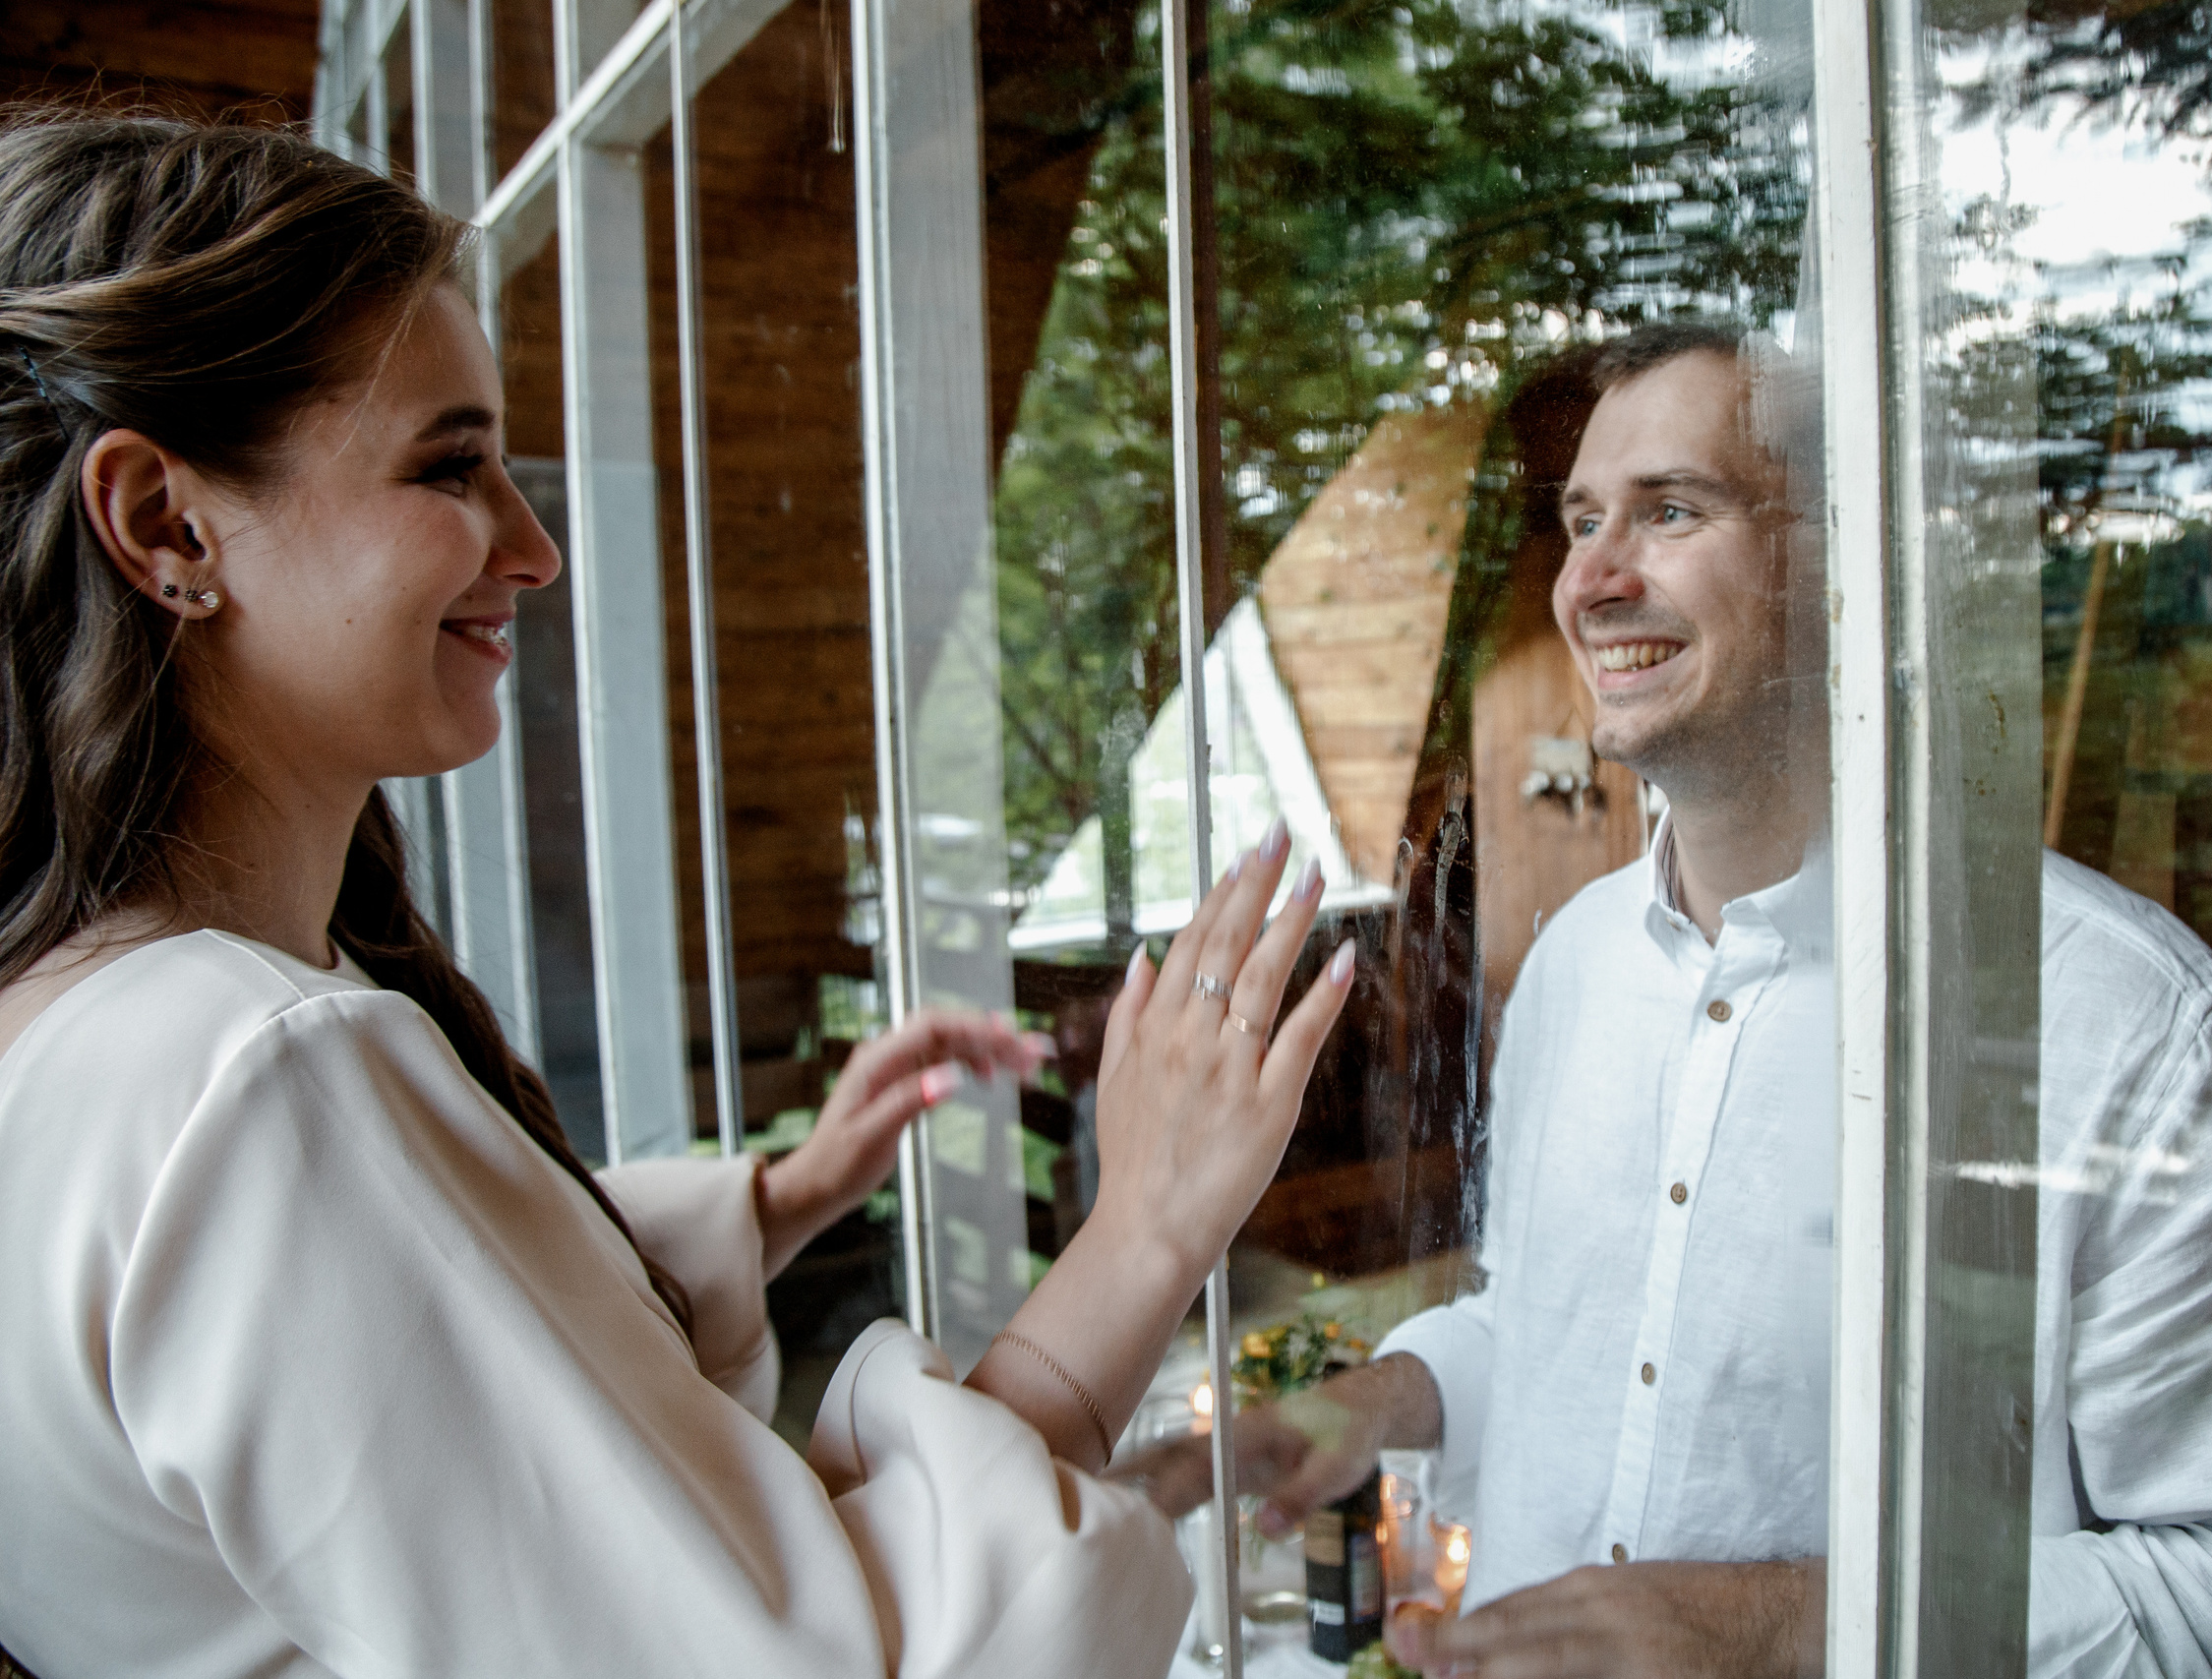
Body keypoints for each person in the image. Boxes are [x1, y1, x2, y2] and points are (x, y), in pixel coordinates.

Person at [0, 111, 1353, 1678]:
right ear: (167, 527)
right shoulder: (245, 1081)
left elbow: (400, 1408)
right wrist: (1152, 1225)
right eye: (451, 464)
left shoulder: (75, 1046)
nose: (533, 547)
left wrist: (784, 1192)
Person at [1178, 323, 2212, 1676]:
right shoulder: (1573, 969)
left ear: (1845, 563)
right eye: (1581, 521)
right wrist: (1380, 1400)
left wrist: (1780, 1626)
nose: (1590, 582)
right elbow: (1550, 1328)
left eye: (1671, 511)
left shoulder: (2137, 1038)